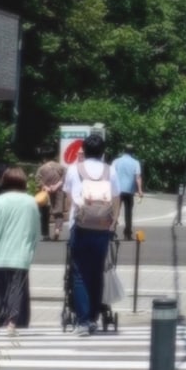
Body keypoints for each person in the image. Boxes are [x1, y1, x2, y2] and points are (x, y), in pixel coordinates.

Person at [63, 131, 119, 335]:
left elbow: (69, 199)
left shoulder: (73, 170)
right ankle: (94, 316)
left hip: (79, 227)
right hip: (102, 228)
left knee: (79, 272)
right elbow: (116, 198)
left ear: (84, 150)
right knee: (97, 271)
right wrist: (113, 223)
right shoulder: (110, 171)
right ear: (103, 152)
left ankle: (83, 321)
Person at [0, 166, 41, 334]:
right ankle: (12, 322)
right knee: (17, 289)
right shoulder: (31, 202)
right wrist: (31, 249)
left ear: (5, 181)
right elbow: (36, 231)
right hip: (21, 255)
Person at [111, 145, 142, 241]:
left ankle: (111, 231)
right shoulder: (135, 162)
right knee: (128, 213)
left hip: (117, 190)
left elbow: (111, 175)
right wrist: (140, 190)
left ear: (123, 151)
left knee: (115, 211)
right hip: (129, 191)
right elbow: (137, 177)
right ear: (132, 152)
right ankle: (127, 234)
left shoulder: (116, 161)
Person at [35, 151, 65, 241]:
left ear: (44, 158)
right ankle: (57, 230)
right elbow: (64, 178)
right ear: (54, 156)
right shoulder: (61, 167)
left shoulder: (41, 168)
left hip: (45, 193)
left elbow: (37, 179)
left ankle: (46, 234)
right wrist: (56, 186)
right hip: (59, 191)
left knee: (44, 213)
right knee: (58, 211)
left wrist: (45, 187)